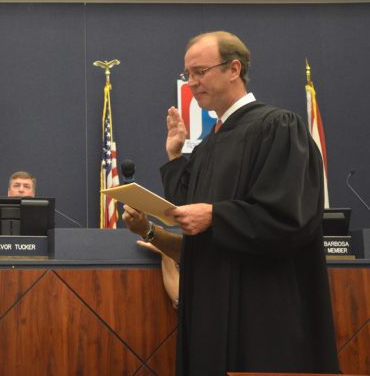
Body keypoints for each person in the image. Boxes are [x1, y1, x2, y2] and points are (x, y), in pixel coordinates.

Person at [123, 31, 339, 375]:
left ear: (234, 69)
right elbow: (189, 211)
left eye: (200, 71)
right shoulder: (210, 144)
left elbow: (289, 217)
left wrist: (217, 216)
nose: (192, 83)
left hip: (260, 305)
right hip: (209, 302)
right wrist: (175, 154)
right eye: (188, 74)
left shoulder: (278, 126)